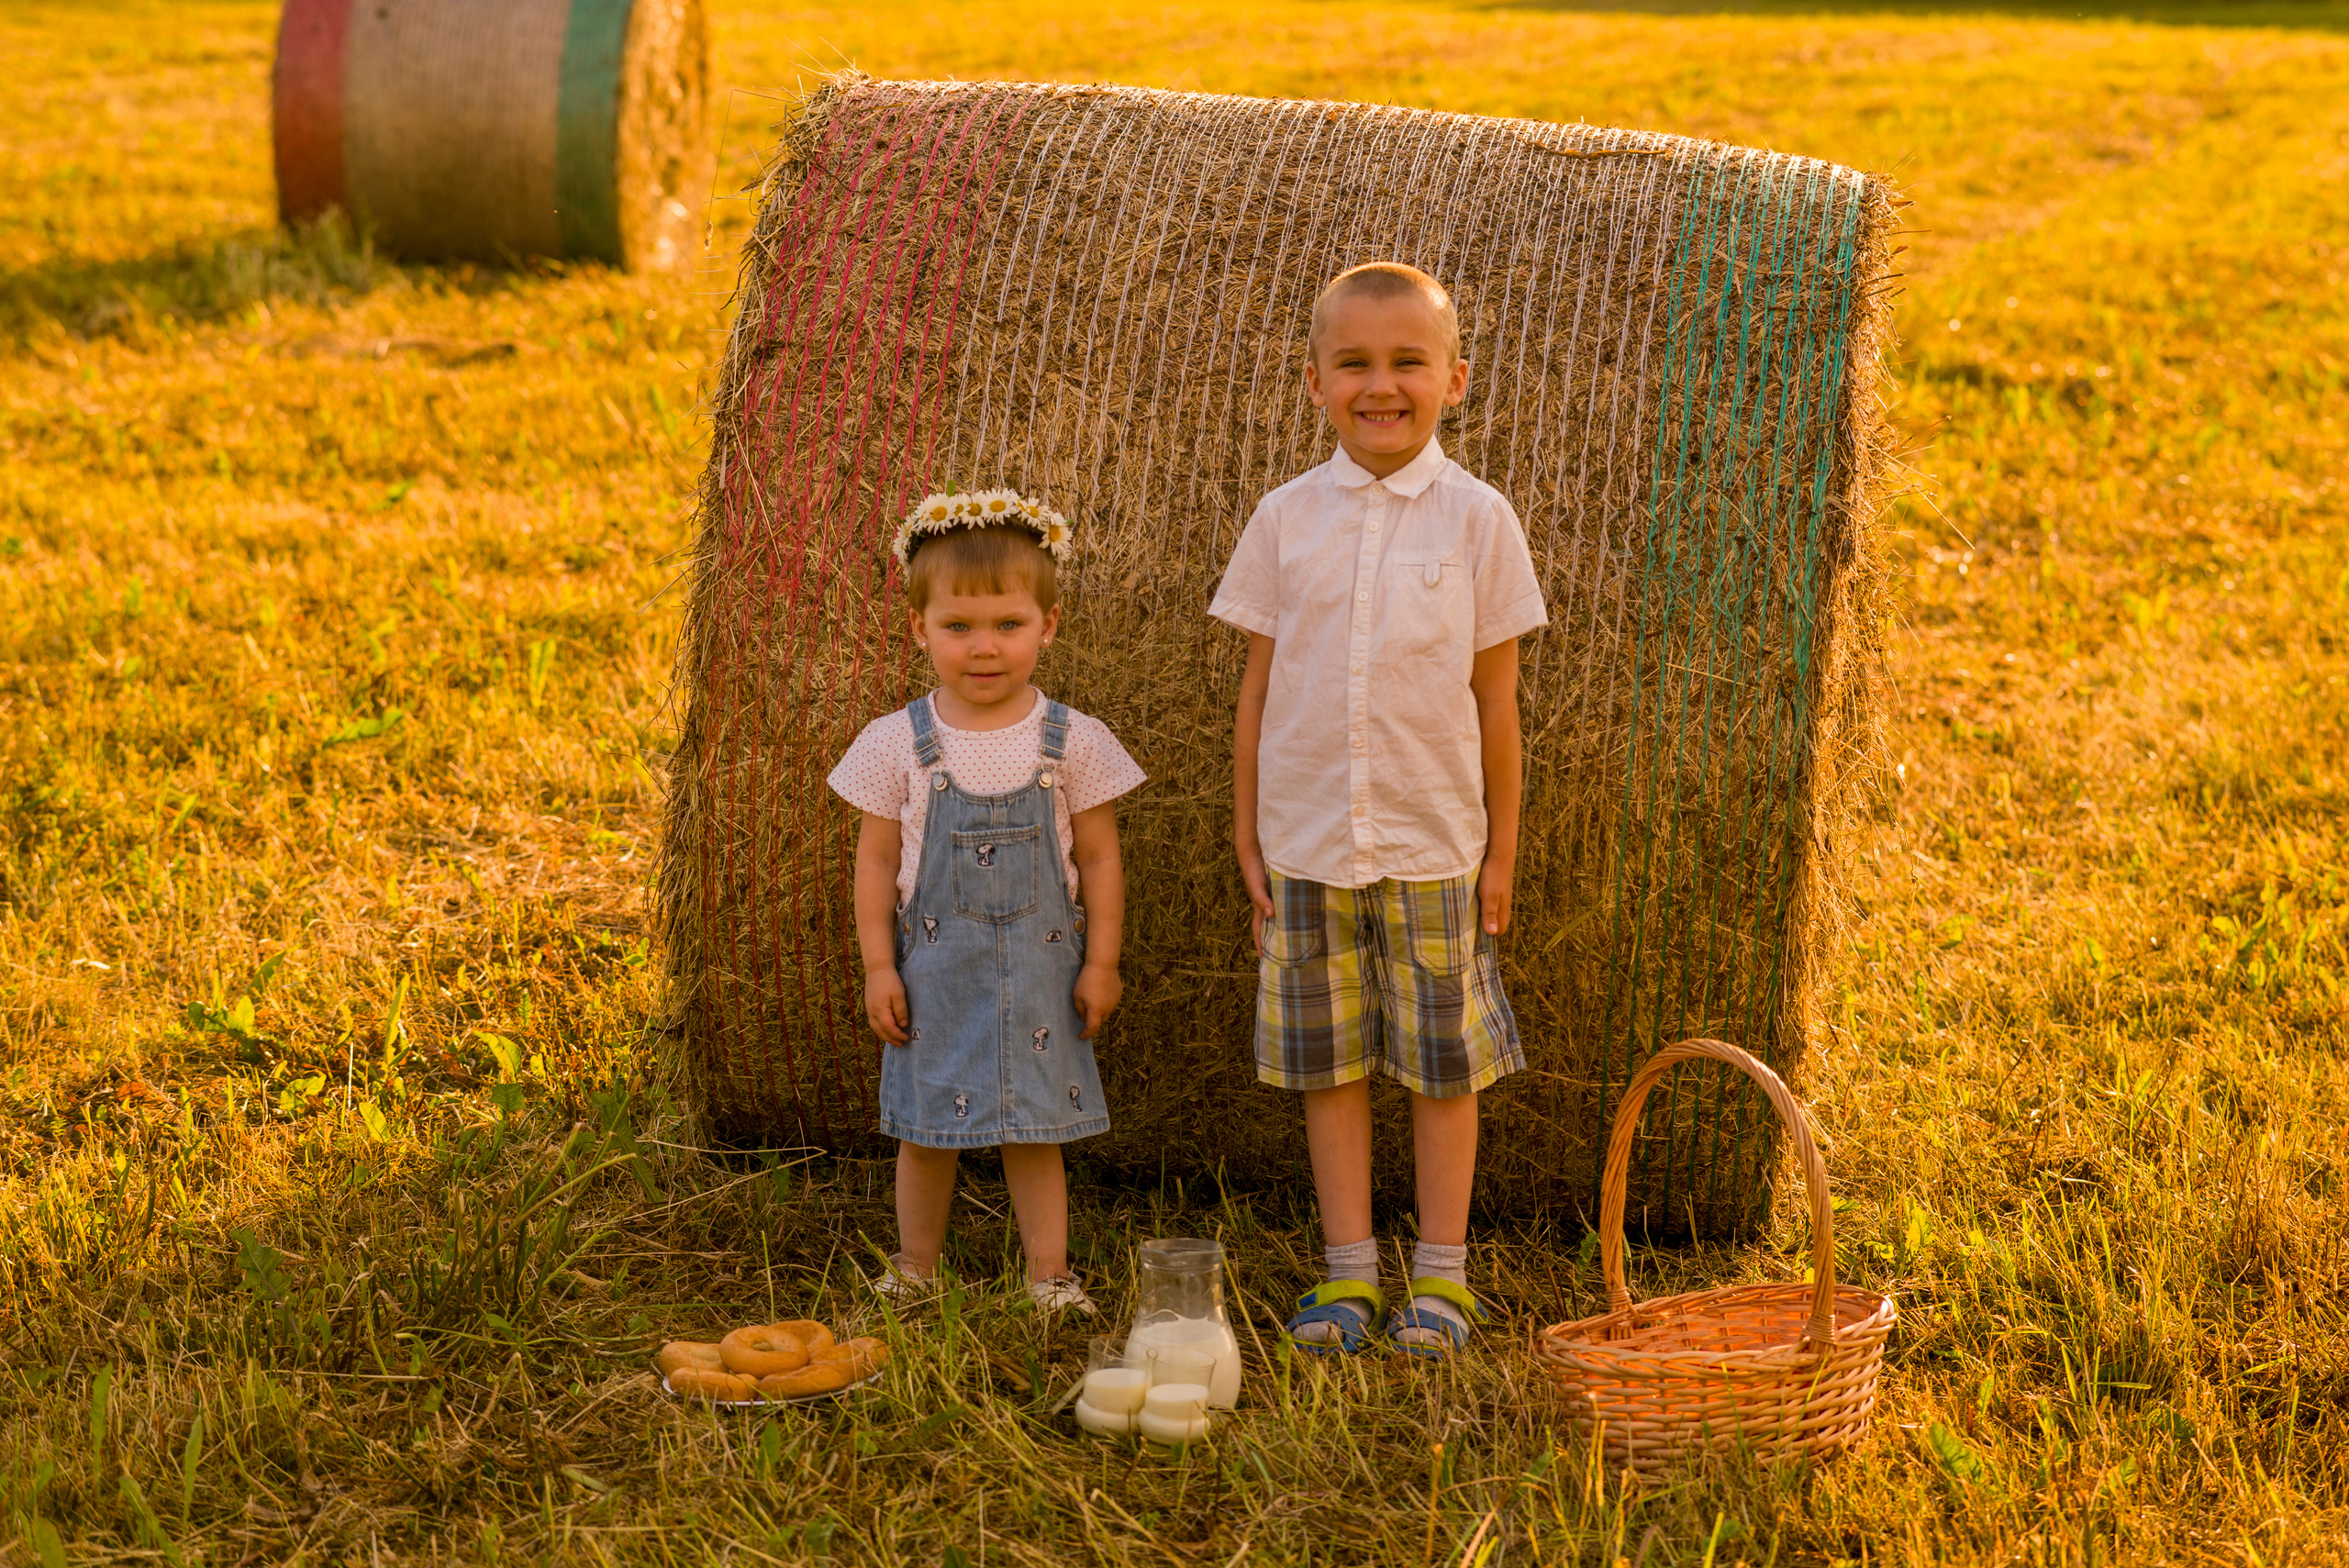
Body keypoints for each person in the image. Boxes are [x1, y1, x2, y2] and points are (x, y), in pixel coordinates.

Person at [1209, 262, 1547, 1356]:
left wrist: (1499, 850)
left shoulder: (1477, 520)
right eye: (1354, 363)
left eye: (1407, 362)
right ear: (1314, 382)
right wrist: (1248, 825)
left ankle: (1441, 1276)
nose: (1380, 385)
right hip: (1308, 840)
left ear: (1454, 379)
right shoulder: (1284, 517)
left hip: (1432, 840)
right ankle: (1348, 1269)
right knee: (1331, 1061)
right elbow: (1258, 686)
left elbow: (1496, 702)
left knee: (1443, 1065)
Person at [829, 489, 1144, 1316]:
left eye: (1008, 624)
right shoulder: (896, 741)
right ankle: (915, 1267)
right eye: (958, 626)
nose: (984, 647)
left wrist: (1103, 960)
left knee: (1034, 1131)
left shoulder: (1072, 739)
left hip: (1045, 973)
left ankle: (1049, 1276)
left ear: (1048, 625)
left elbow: (1103, 857)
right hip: (935, 972)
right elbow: (874, 863)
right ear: (918, 629)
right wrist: (876, 965)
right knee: (925, 1131)